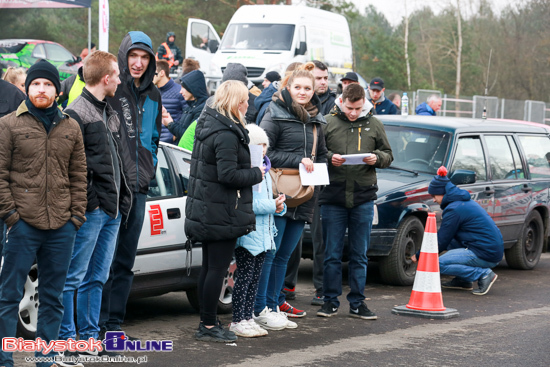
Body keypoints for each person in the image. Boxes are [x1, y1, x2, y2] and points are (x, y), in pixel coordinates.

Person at [0, 60, 87, 367]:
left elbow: (79, 175)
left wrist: (76, 217)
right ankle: (4, 360)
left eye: (47, 84)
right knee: (8, 296)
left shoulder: (71, 126)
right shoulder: (9, 124)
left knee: (53, 299)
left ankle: (46, 360)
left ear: (56, 90)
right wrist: (12, 216)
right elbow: (1, 175)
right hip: (23, 225)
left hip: (62, 226)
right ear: (27, 88)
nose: (41, 89)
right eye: (36, 84)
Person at [59, 51, 130, 361]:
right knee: (73, 277)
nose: (120, 79)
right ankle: (67, 339)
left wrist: (123, 197)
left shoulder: (109, 111)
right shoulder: (75, 113)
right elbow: (70, 167)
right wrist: (93, 202)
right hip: (92, 210)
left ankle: (89, 338)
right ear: (105, 78)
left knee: (96, 277)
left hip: (111, 210)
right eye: (116, 74)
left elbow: (115, 163)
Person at [185, 80, 264, 343]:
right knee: (215, 269)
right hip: (220, 211)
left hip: (209, 208)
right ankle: (208, 325)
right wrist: (256, 173)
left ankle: (207, 321)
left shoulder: (210, 124)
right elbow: (228, 175)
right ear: (235, 102)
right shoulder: (226, 133)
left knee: (209, 267)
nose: (248, 104)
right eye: (244, 100)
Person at [100, 31, 162, 339]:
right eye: (133, 56)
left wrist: (149, 172)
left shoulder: (154, 94)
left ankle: (113, 325)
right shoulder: (112, 87)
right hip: (111, 187)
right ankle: (93, 326)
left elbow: (154, 138)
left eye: (145, 57)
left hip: (139, 188)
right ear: (124, 55)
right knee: (103, 261)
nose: (138, 63)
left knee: (125, 260)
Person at [257, 62, 328, 320]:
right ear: (288, 87)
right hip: (278, 192)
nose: (303, 92)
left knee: (285, 254)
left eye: (307, 88)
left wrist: (327, 162)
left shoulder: (318, 120)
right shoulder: (273, 112)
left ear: (313, 91)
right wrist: (298, 159)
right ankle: (262, 307)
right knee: (271, 252)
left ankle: (275, 305)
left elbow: (320, 157)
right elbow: (265, 153)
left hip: (305, 195)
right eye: (297, 87)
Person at [316, 83, 392, 320]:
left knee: (360, 254)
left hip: (363, 198)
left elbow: (388, 155)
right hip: (333, 197)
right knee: (332, 254)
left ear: (364, 104)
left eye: (358, 109)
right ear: (342, 101)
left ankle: (358, 303)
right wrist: (330, 158)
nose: (353, 113)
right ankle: (329, 301)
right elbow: (316, 154)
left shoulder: (374, 123)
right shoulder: (327, 122)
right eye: (349, 108)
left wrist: (376, 158)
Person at [283, 59, 337, 306]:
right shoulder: (281, 110)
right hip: (291, 183)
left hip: (318, 182)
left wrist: (322, 165)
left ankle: (320, 288)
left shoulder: (332, 106)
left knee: (319, 238)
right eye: (317, 78)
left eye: (325, 78)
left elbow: (323, 147)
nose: (321, 82)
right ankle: (286, 286)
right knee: (290, 241)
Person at [230, 124, 287, 338]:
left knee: (254, 278)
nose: (262, 148)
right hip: (248, 234)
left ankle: (248, 317)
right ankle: (238, 319)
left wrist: (279, 205)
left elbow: (266, 201)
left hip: (263, 234)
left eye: (264, 144)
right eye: (257, 144)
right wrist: (273, 206)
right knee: (244, 278)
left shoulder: (265, 170)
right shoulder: (248, 172)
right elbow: (248, 203)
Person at [411, 166, 503, 296]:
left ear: (443, 192)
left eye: (434, 195)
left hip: (485, 252)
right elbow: (450, 239)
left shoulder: (454, 209)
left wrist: (420, 255)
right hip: (489, 249)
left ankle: (483, 275)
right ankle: (463, 281)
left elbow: (441, 241)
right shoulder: (461, 203)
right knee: (451, 247)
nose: (433, 200)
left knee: (434, 264)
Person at [163, 69, 208, 142]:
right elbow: (182, 128)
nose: (180, 91)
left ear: (193, 88)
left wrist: (170, 124)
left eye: (183, 88)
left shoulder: (202, 109)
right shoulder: (189, 107)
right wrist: (167, 119)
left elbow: (188, 136)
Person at [154, 59, 186, 143]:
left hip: (172, 146)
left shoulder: (180, 91)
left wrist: (174, 136)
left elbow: (187, 117)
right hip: (155, 144)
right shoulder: (152, 92)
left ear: (161, 73)